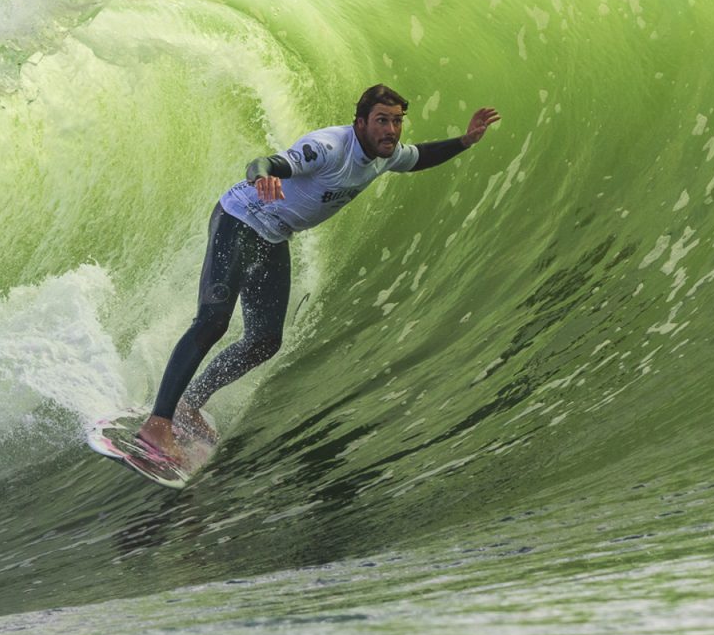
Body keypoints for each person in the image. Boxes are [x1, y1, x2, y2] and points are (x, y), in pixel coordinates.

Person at [131, 84, 502, 469]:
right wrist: (262, 178)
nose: (391, 130)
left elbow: (420, 157)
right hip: (240, 219)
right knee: (212, 321)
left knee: (264, 341)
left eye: (396, 121)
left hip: (273, 235)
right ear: (360, 123)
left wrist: (465, 141)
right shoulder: (327, 148)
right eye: (381, 121)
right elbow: (267, 163)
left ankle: (190, 404)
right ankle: (157, 423)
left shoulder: (383, 155)